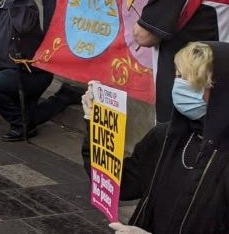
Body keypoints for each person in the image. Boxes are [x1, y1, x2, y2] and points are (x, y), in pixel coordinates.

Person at [82, 42, 229, 234]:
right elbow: (124, 183)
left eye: (191, 79)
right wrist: (96, 127)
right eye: (178, 75)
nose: (179, 85)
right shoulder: (166, 136)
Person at [0, 0, 80, 141]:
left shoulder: (22, 0)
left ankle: (20, 125)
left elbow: (23, 26)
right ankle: (63, 98)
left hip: (29, 72)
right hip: (7, 70)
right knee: (30, 117)